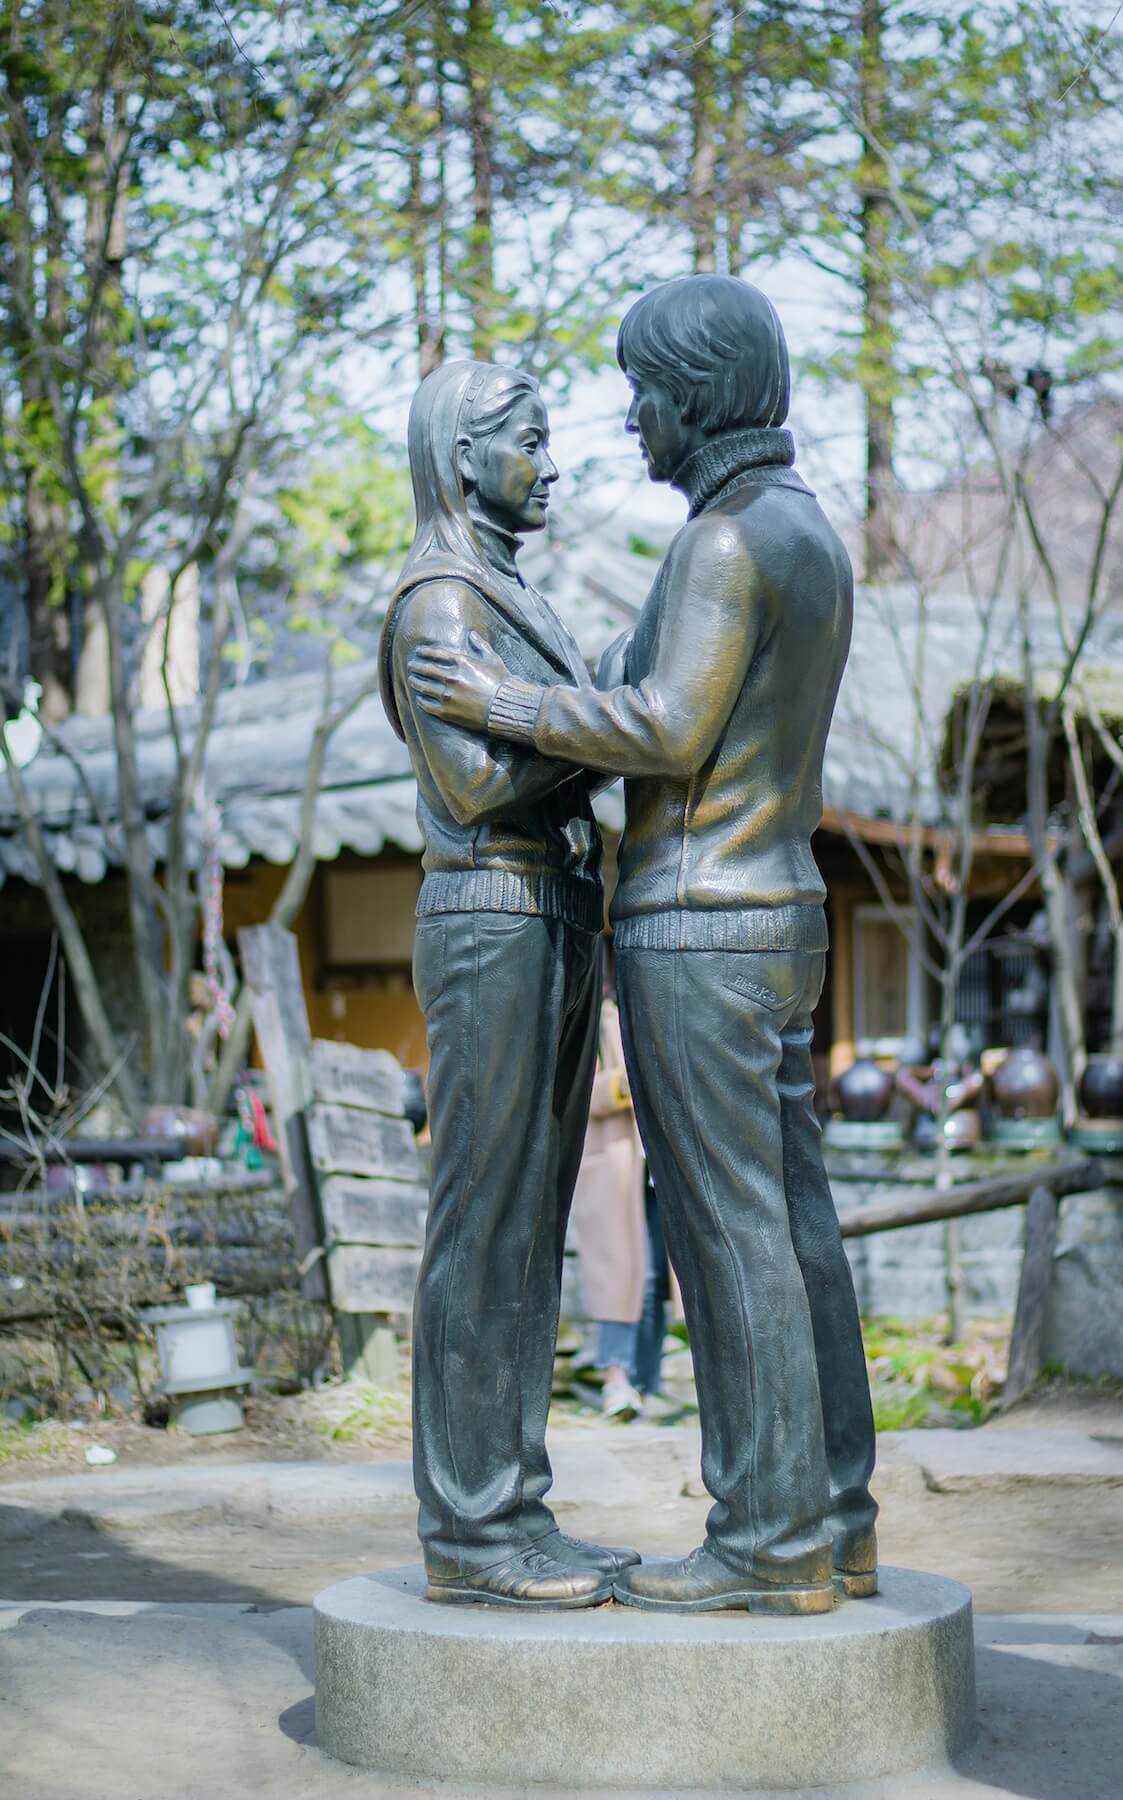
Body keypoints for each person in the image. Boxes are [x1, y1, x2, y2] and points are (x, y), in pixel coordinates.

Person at [410, 276, 878, 1615]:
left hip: (699, 921)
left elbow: (667, 728)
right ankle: (834, 1518)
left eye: (641, 392)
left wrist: (506, 698)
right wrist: (560, 689)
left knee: (728, 1235)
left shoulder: (722, 543)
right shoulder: (802, 531)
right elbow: (629, 683)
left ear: (696, 392)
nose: (630, 420)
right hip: (778, 910)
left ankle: (767, 1538)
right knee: (792, 1224)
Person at [378, 359, 636, 1609]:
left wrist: (556, 719)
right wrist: (592, 732)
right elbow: (479, 784)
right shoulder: (439, 603)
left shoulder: (504, 594)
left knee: (529, 1231)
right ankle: (469, 1530)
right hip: (489, 916)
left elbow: (523, 738)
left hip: (549, 915)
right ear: (462, 456)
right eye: (531, 439)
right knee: (480, 1228)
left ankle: (516, 1506)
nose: (552, 458)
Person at [573, 983, 668, 1419]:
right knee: (622, 1275)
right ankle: (617, 1380)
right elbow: (577, 1093)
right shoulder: (594, 1018)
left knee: (654, 1279)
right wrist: (636, 1079)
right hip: (614, 1165)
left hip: (656, 1167)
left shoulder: (661, 1012)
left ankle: (645, 1383)